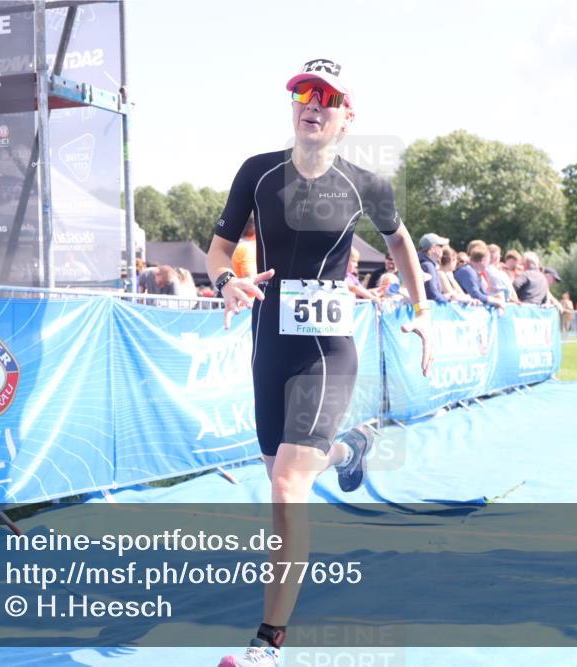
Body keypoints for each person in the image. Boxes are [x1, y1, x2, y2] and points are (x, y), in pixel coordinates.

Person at [206, 58, 433, 667]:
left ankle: (267, 645)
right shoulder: (257, 172)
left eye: (327, 96)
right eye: (304, 91)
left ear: (346, 117)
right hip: (269, 343)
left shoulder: (368, 184)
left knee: (285, 487)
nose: (313, 101)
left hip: (328, 350)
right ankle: (348, 451)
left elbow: (399, 241)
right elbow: (221, 248)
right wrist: (227, 280)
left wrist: (422, 307)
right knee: (281, 469)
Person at [453, 241, 506, 311]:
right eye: (488, 260)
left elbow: (482, 293)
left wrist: (494, 298)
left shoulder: (474, 272)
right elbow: (475, 295)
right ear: (483, 260)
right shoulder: (468, 271)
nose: (488, 263)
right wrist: (496, 301)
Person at [417, 232, 450, 304]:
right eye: (441, 246)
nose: (442, 249)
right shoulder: (428, 266)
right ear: (433, 248)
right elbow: (433, 295)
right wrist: (448, 299)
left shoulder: (426, 264)